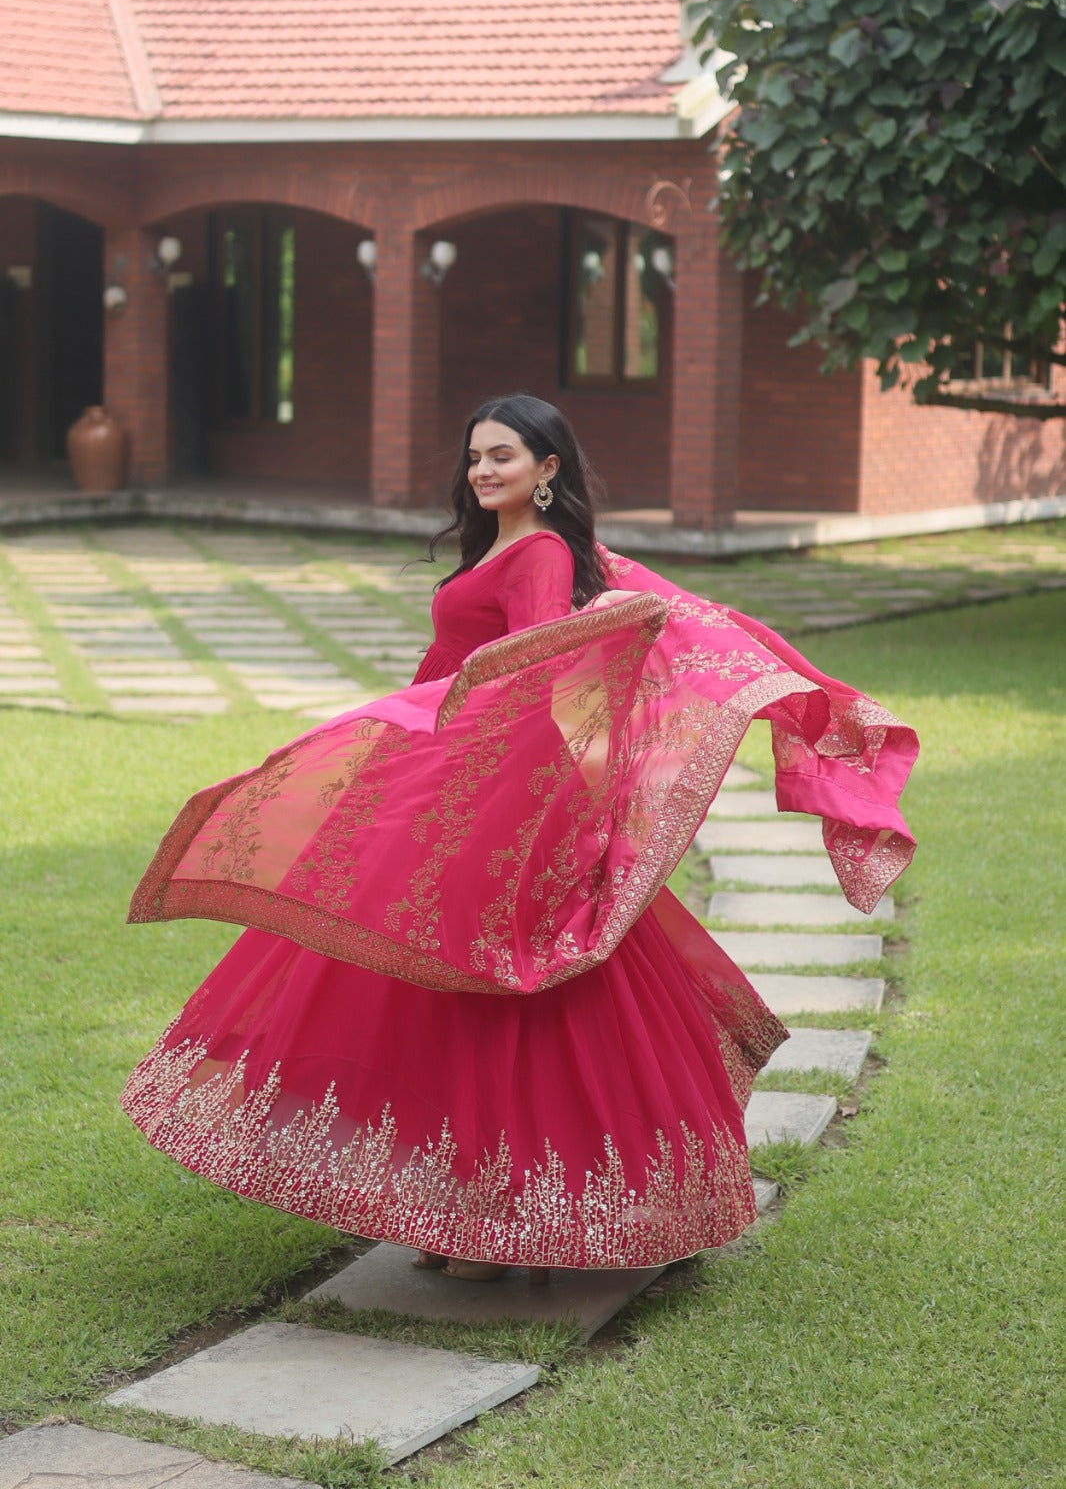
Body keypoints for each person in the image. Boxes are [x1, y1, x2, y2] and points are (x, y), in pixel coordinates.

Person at [123, 395, 917, 1281]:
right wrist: (405, 733)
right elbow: (479, 665)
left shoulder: (538, 552)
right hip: (452, 777)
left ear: (549, 470)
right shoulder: (507, 546)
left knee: (496, 992)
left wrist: (472, 752)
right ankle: (461, 1211)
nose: (483, 471)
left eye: (503, 455)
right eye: (474, 458)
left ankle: (507, 1222)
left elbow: (540, 666)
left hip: (498, 789)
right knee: (429, 991)